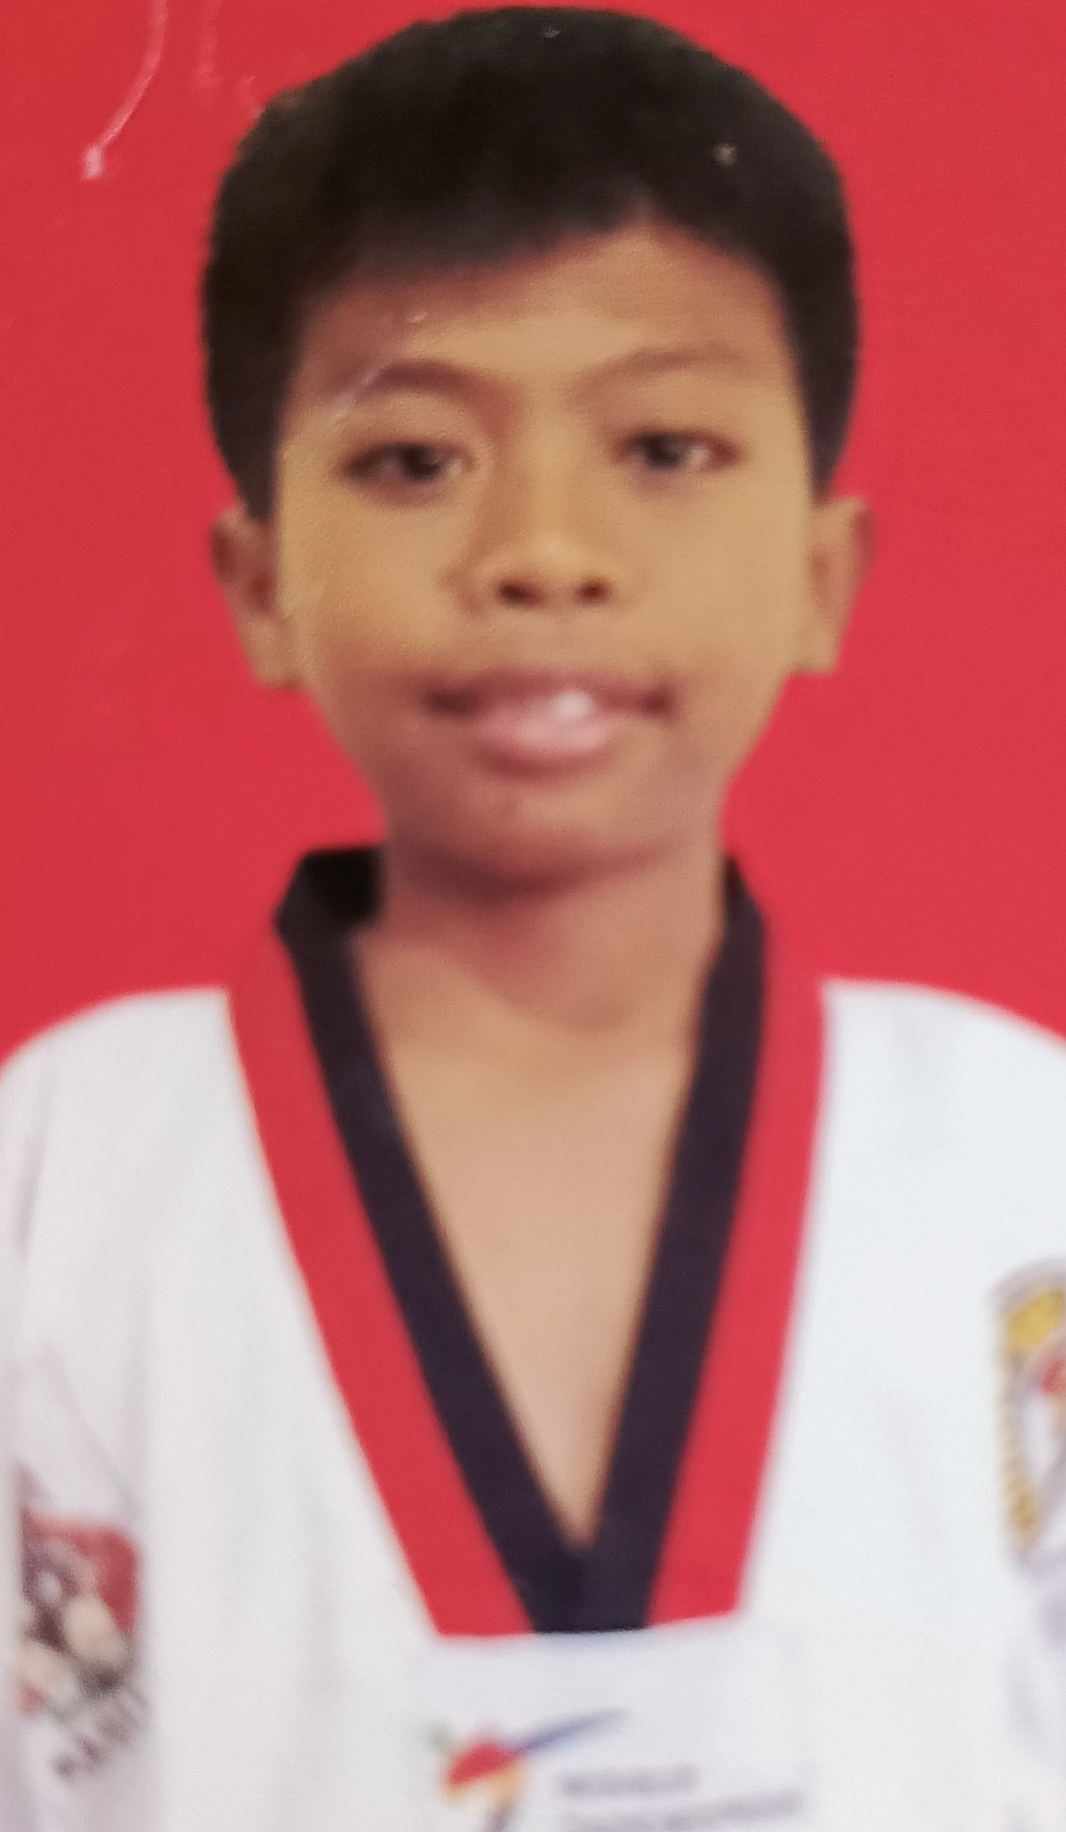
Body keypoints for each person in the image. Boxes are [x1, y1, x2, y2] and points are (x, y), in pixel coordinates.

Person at [2, 7, 1066, 1827]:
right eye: (415, 460)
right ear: (259, 584)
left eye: (664, 447)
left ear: (822, 575)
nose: (543, 551)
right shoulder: (55, 1173)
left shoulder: (1019, 1155)